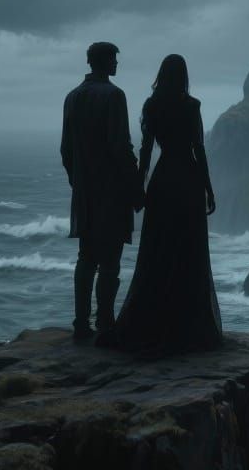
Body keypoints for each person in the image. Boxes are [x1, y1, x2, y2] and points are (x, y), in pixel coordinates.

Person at [103, 54, 222, 356]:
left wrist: (139, 187)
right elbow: (199, 149)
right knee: (189, 250)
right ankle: (190, 325)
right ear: (183, 75)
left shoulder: (152, 106)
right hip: (189, 181)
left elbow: (145, 150)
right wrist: (208, 187)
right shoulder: (192, 106)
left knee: (158, 250)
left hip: (163, 179)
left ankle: (151, 322)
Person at [60, 41, 140, 341]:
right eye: (114, 59)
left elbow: (66, 149)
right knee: (110, 262)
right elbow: (120, 147)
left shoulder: (72, 97)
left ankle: (81, 323)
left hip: (84, 191)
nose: (117, 64)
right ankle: (105, 323)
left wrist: (77, 181)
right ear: (104, 62)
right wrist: (135, 188)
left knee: (86, 256)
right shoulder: (114, 96)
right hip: (112, 190)